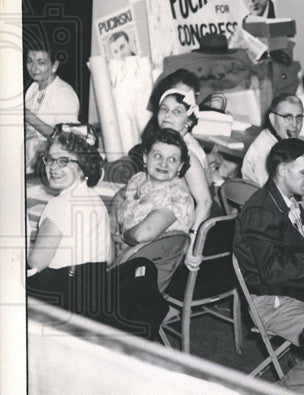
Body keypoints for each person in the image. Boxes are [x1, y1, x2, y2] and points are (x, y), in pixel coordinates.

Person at [26, 131, 167, 340]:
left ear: (82, 167)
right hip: (93, 298)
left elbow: (36, 263)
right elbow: (110, 257)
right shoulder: (95, 200)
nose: (53, 168)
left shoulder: (60, 205)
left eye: (63, 161)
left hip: (64, 300)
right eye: (50, 160)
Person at [233, 138, 304, 345]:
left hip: (295, 288)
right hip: (271, 302)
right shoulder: (261, 212)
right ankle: (295, 377)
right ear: (282, 170)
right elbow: (272, 272)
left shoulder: (287, 198)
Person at [110, 128, 195, 281]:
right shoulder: (140, 179)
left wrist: (117, 238)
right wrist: (110, 227)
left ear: (180, 166)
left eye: (172, 159)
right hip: (120, 258)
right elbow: (120, 196)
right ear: (145, 157)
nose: (164, 163)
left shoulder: (178, 196)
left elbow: (141, 235)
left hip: (145, 273)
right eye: (157, 156)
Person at [151, 89, 213, 236]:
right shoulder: (171, 144)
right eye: (164, 109)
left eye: (177, 112)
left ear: (189, 121)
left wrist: (192, 241)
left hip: (182, 224)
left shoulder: (187, 153)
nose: (167, 115)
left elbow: (205, 203)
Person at [24, 43, 80, 169]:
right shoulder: (33, 88)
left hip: (52, 165)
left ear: (54, 66)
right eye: (30, 61)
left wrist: (30, 118)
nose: (34, 68)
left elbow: (66, 139)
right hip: (30, 161)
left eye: (41, 62)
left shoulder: (63, 93)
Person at [242, 94, 304, 187]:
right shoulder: (265, 151)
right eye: (288, 118)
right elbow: (276, 195)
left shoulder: (276, 137)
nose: (295, 125)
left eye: (299, 118)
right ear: (272, 118)